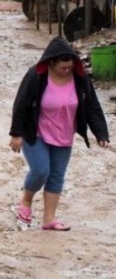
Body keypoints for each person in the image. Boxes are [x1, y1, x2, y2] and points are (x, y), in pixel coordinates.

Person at [9, 36, 109, 231]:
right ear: (51, 63)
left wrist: (100, 132)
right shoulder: (36, 76)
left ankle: (49, 220)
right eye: (63, 67)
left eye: (70, 67)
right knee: (41, 170)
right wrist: (16, 134)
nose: (67, 70)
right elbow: (20, 104)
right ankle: (26, 202)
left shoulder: (80, 78)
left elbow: (91, 106)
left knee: (56, 176)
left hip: (64, 134)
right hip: (35, 132)